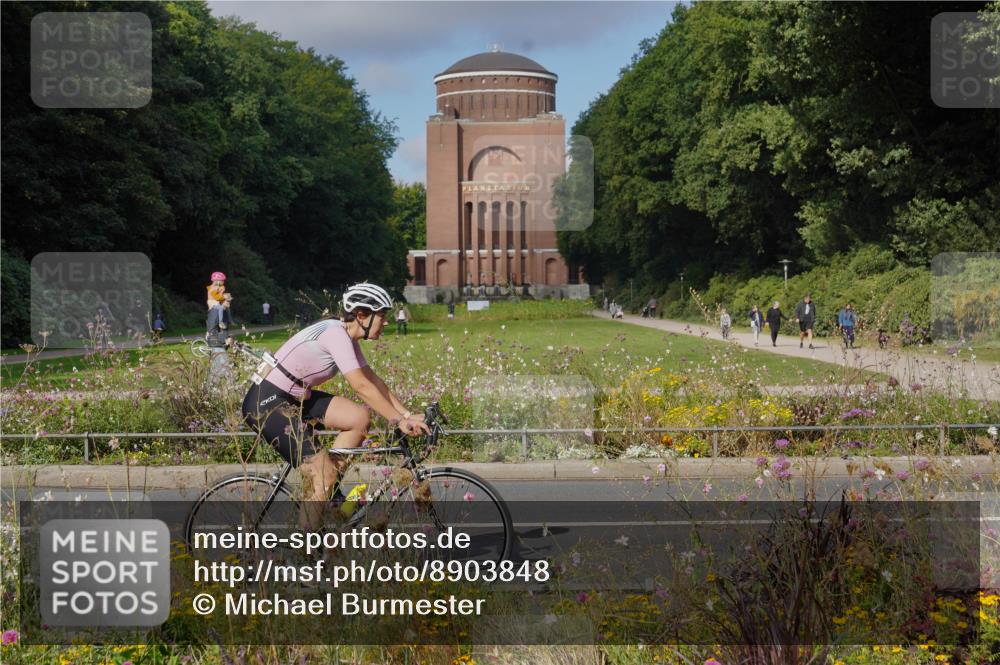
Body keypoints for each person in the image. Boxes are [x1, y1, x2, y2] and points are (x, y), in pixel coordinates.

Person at [241, 283, 430, 531]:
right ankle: (305, 551)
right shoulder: (335, 335)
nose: (386, 322)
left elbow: (373, 380)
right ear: (362, 316)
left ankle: (328, 492)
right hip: (266, 402)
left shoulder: (346, 336)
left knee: (359, 418)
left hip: (294, 398)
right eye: (382, 315)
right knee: (323, 475)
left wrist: (405, 414)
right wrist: (398, 421)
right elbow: (361, 386)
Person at [206, 295, 234, 384]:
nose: (229, 303)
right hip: (216, 344)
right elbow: (212, 330)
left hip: (220, 344)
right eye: (228, 301)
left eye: (230, 301)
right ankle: (231, 389)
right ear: (221, 301)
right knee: (226, 368)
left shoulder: (224, 311)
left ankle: (210, 391)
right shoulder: (215, 311)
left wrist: (230, 337)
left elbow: (223, 329)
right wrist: (224, 340)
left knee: (216, 370)